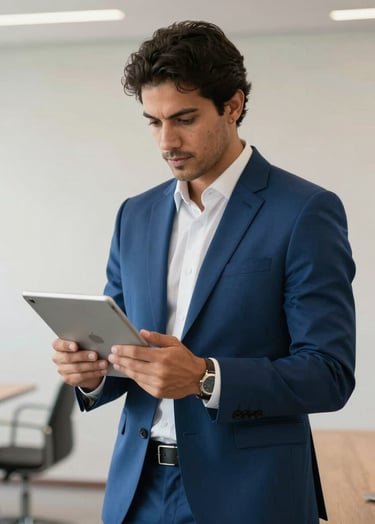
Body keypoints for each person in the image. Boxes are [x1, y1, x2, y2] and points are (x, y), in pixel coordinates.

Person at [52, 20, 356, 524]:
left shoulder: (305, 211)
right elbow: (122, 343)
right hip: (137, 489)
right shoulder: (136, 215)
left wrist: (204, 376)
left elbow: (329, 373)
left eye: (184, 118)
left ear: (233, 106)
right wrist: (91, 373)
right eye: (153, 121)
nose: (167, 140)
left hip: (251, 495)